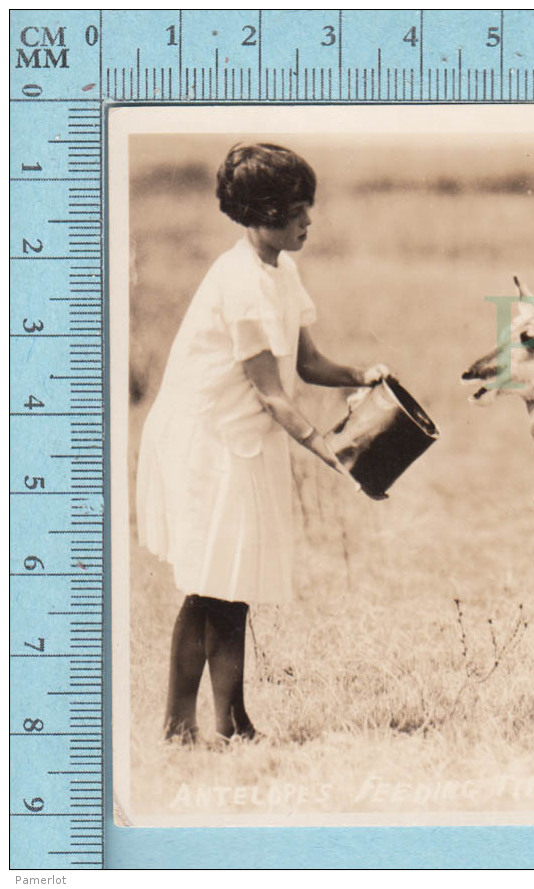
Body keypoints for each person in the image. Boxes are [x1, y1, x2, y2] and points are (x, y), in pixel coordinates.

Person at [136, 143, 387, 742]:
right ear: (265, 213)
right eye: (298, 210)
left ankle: (230, 720)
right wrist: (338, 455)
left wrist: (361, 376)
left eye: (309, 208)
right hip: (209, 442)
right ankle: (179, 727)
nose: (308, 221)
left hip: (244, 438)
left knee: (235, 586)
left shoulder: (282, 270)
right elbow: (273, 397)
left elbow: (305, 363)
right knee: (211, 585)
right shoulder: (240, 283)